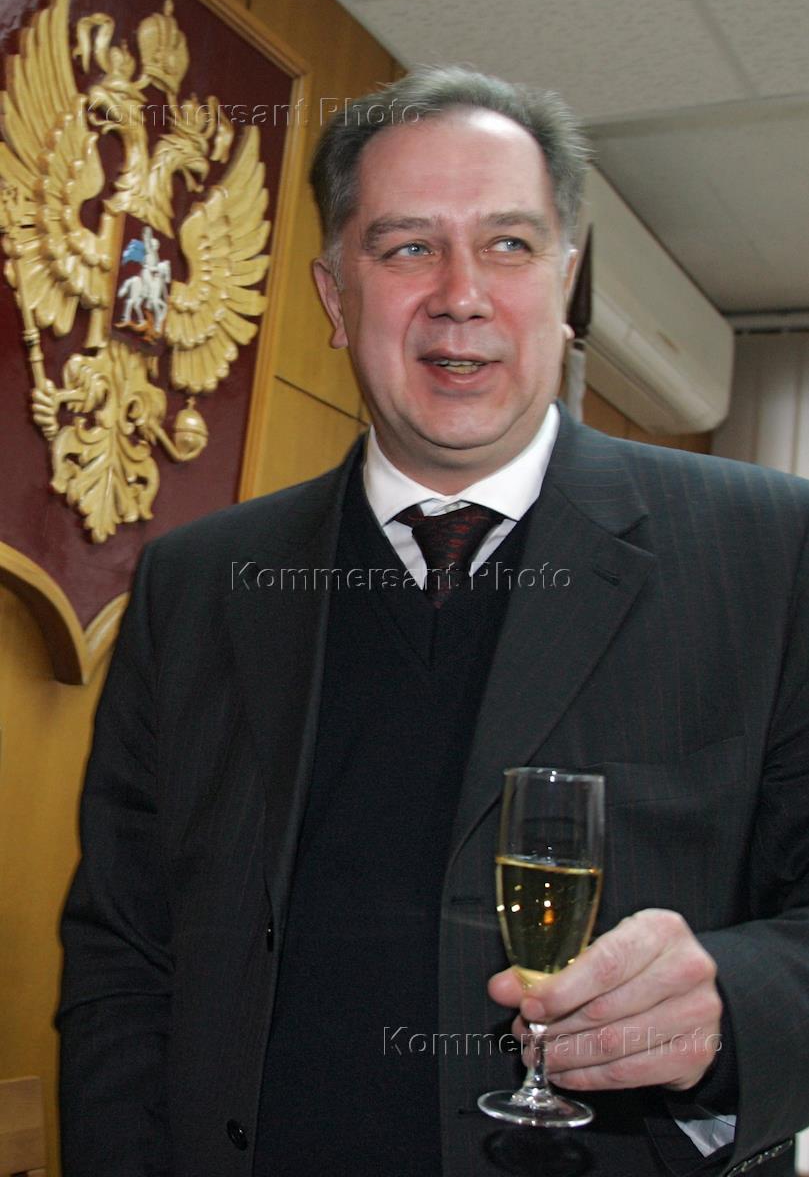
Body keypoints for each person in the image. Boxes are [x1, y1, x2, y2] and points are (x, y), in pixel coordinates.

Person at [57, 66, 809, 1177]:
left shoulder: (771, 550)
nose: (461, 294)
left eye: (507, 245)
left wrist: (729, 1007)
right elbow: (124, 954)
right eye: (407, 247)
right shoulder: (197, 582)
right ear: (334, 297)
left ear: (564, 280)